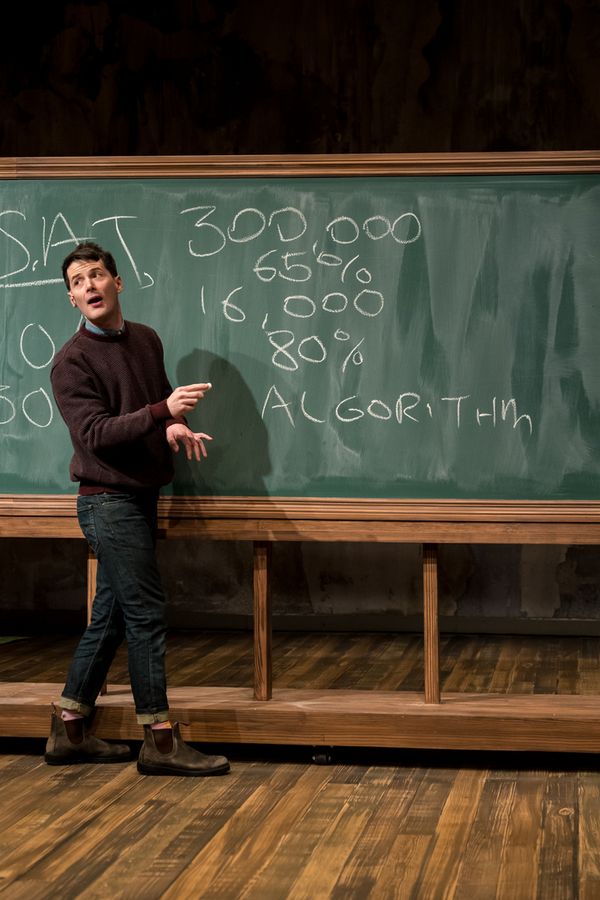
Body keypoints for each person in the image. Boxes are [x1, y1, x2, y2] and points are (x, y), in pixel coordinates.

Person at [45, 241, 230, 777]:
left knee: (113, 615)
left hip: (141, 496)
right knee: (146, 613)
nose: (89, 286)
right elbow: (96, 435)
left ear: (117, 283)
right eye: (77, 282)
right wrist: (159, 411)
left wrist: (173, 423)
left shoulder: (145, 339)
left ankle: (70, 728)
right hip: (106, 502)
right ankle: (161, 740)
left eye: (97, 275)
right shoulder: (70, 363)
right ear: (72, 300)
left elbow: (157, 396)